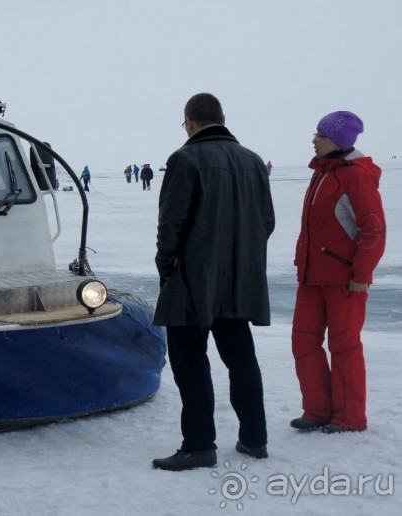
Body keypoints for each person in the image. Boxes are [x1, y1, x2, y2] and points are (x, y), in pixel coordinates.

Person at [152, 93, 274, 471]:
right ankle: (255, 438)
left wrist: (166, 267)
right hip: (239, 278)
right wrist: (242, 260)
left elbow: (171, 223)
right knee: (241, 358)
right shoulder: (253, 161)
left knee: (190, 363)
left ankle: (199, 445)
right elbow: (266, 222)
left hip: (191, 279)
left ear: (189, 122)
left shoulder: (185, 159)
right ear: (222, 118)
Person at [291, 111, 385, 434]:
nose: (314, 140)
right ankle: (317, 410)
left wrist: (362, 274)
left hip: (345, 280)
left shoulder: (355, 176)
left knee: (344, 346)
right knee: (303, 341)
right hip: (311, 276)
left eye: (320, 135)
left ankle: (349, 417)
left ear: (339, 140)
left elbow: (373, 229)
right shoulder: (322, 172)